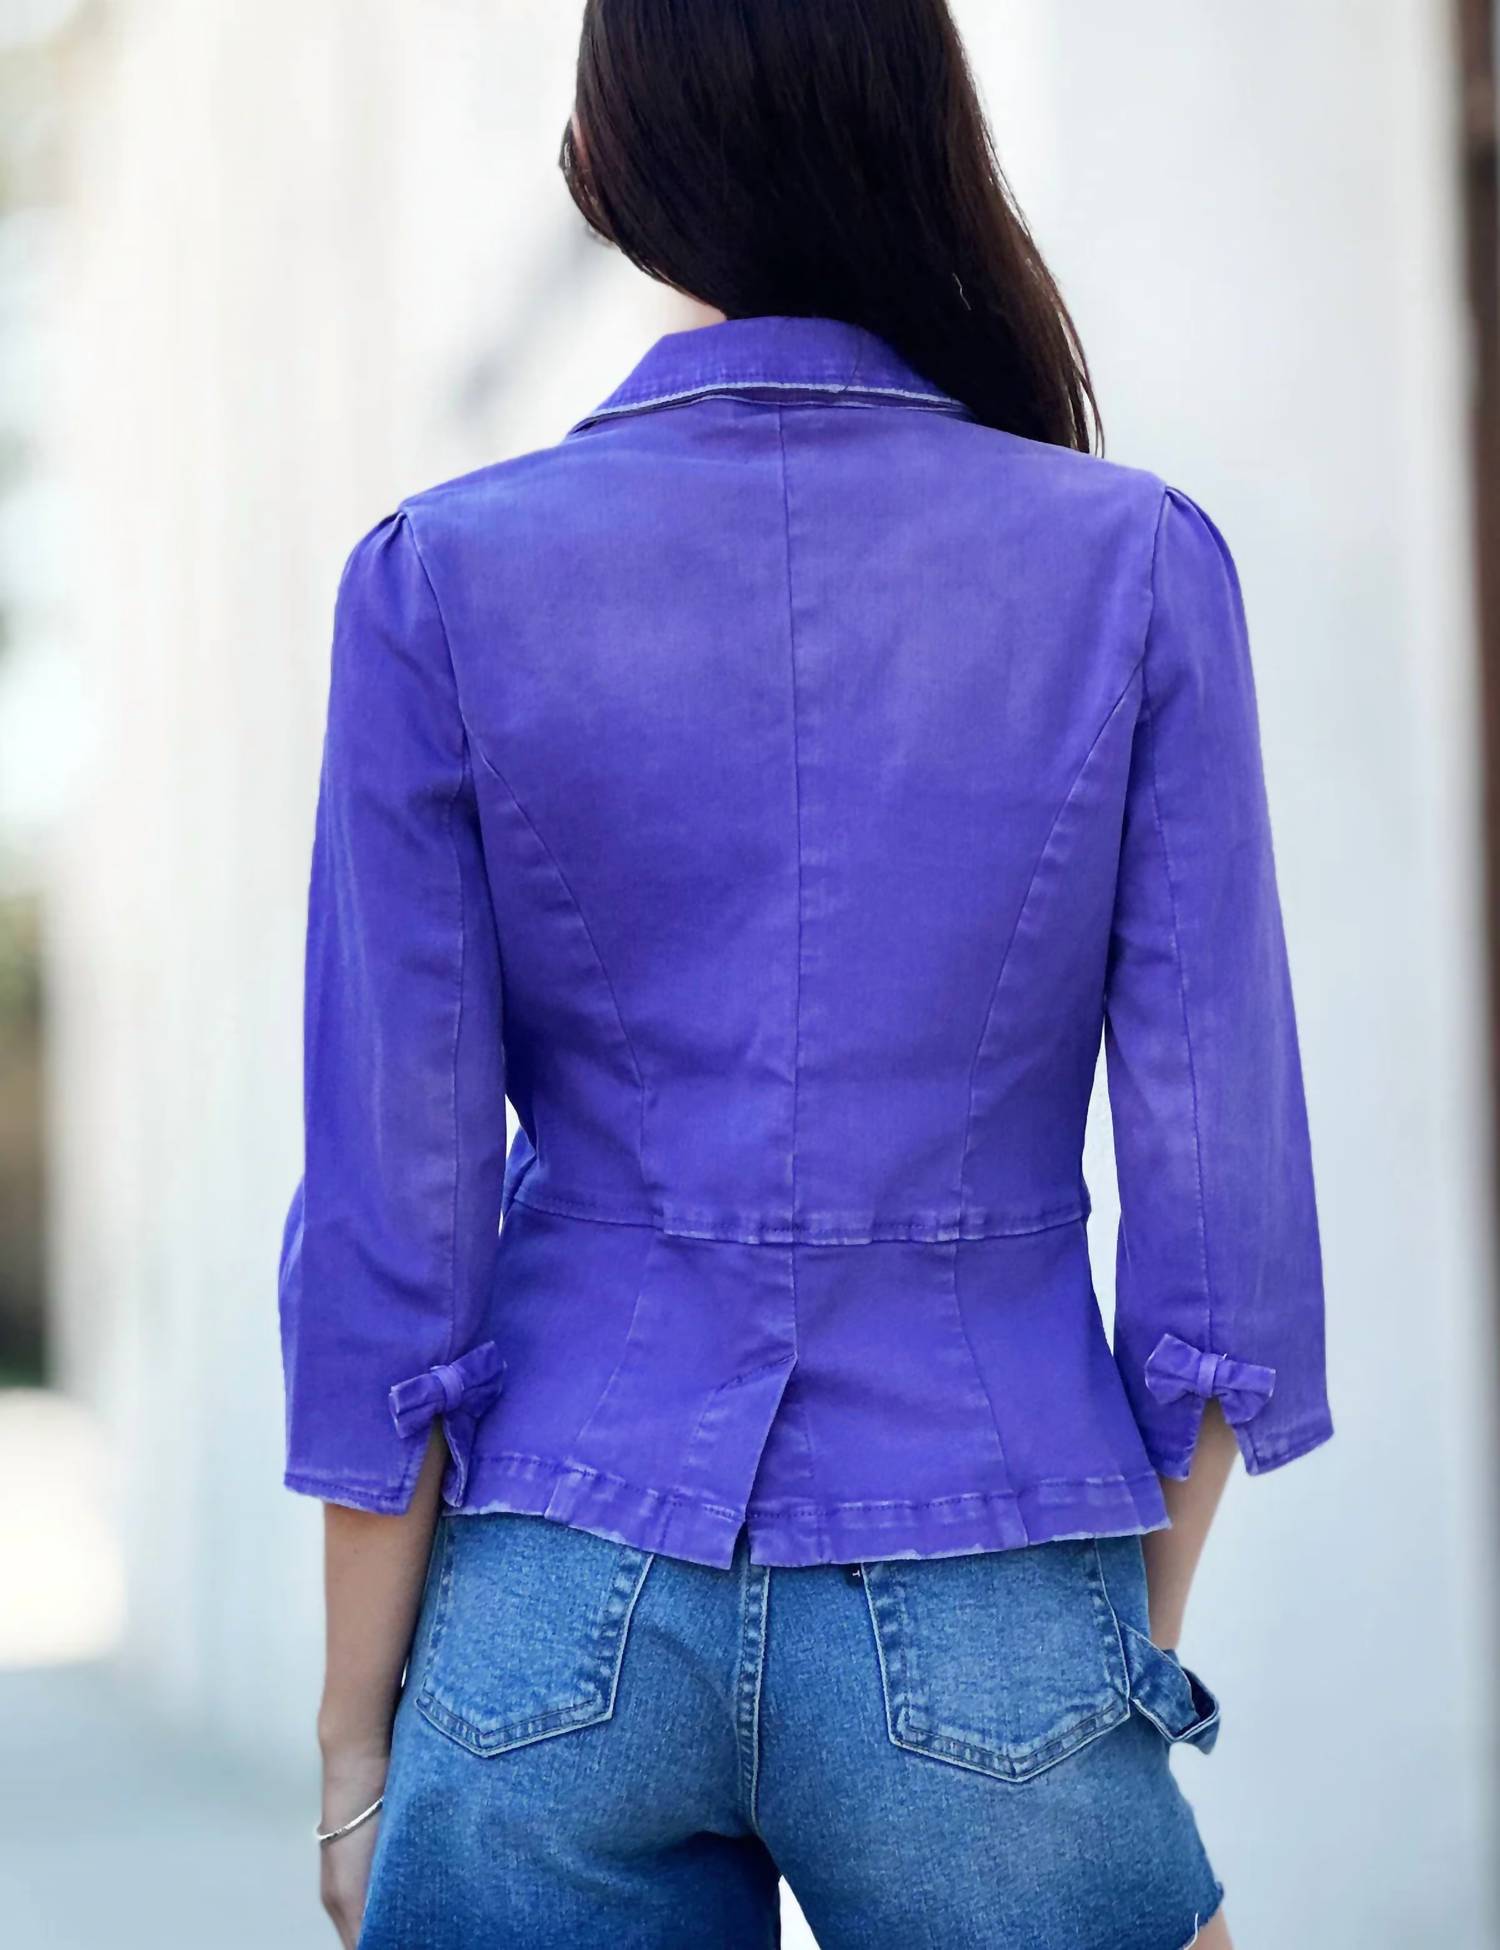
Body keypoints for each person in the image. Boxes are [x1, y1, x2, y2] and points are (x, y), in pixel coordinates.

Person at [278, 2, 1332, 1944]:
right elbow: (1224, 1219)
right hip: (989, 1561)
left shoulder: (438, 580)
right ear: (921, 122)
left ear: (604, 161)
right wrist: (1103, 1649)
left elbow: (390, 1229)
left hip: (555, 1612)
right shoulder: (1134, 565)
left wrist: (357, 1740)